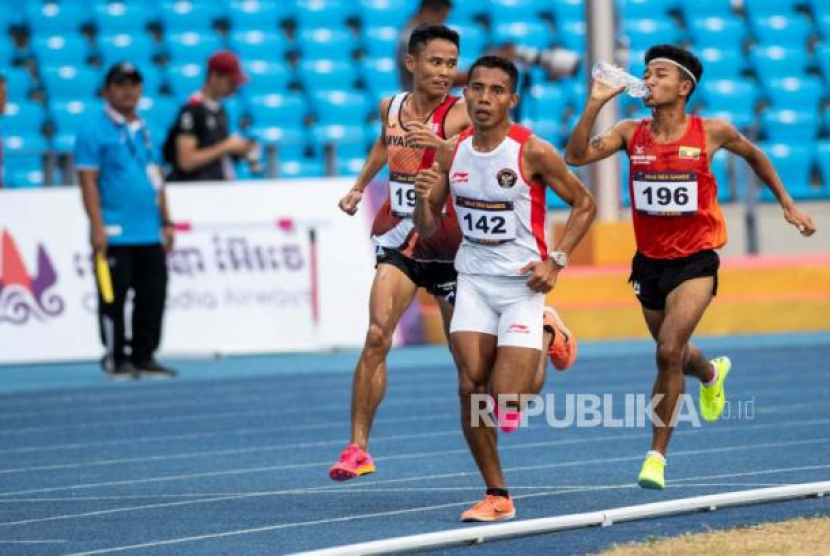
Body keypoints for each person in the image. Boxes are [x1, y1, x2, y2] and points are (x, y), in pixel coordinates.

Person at [329, 25, 578, 482]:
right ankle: (358, 447)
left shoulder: (462, 112)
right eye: (435, 62)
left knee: (471, 371)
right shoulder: (393, 107)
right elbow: (385, 145)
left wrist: (439, 146)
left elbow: (483, 147)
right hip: (403, 239)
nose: (444, 72)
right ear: (412, 64)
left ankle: (543, 331)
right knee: (377, 335)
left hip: (456, 250)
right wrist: (359, 186)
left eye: (450, 64)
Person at [564, 44, 817, 490]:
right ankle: (712, 373)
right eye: (646, 73)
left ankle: (655, 457)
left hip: (696, 260)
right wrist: (596, 102)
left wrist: (788, 203)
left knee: (666, 352)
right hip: (649, 264)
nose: (649, 79)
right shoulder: (628, 132)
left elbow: (755, 154)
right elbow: (576, 156)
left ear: (684, 88)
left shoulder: (712, 131)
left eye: (659, 74)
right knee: (676, 352)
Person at [413, 55, 596, 521]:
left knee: (507, 398)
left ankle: (549, 333)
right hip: (472, 278)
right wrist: (421, 199)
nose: (484, 98)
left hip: (521, 284)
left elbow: (584, 204)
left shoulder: (532, 151)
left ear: (512, 99)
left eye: (496, 90)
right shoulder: (451, 151)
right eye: (476, 88)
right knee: (469, 386)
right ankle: (498, 494)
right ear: (466, 93)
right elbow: (429, 225)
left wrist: (555, 261)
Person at [75, 62, 177, 380]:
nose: (128, 90)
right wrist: (97, 225)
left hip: (148, 230)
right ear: (106, 91)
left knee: (153, 295)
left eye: (134, 84)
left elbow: (156, 178)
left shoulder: (146, 130)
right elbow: (88, 181)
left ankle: (144, 354)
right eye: (121, 84)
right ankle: (116, 356)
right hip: (116, 232)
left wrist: (167, 221)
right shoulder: (93, 132)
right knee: (113, 298)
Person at [396, 0, 580, 92]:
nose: (443, 23)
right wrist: (490, 65)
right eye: (442, 17)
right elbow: (440, 81)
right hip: (421, 113)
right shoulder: (413, 40)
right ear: (430, 10)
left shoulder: (411, 34)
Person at [163, 51, 256, 182]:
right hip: (199, 193)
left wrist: (237, 150)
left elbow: (216, 154)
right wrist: (226, 146)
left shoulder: (220, 110)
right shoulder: (192, 110)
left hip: (217, 189)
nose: (235, 88)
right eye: (231, 82)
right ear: (214, 76)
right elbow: (186, 161)